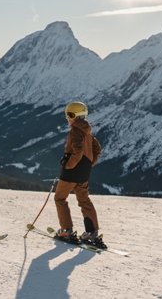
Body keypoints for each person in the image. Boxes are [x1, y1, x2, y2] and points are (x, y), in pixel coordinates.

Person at [54, 101, 106, 248]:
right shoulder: (87, 132)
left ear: (77, 116)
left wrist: (67, 164)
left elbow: (77, 151)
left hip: (71, 173)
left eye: (70, 115)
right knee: (84, 200)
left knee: (59, 198)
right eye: (67, 115)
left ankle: (66, 230)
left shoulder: (75, 131)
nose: (68, 118)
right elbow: (97, 149)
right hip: (83, 173)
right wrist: (89, 163)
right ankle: (92, 233)